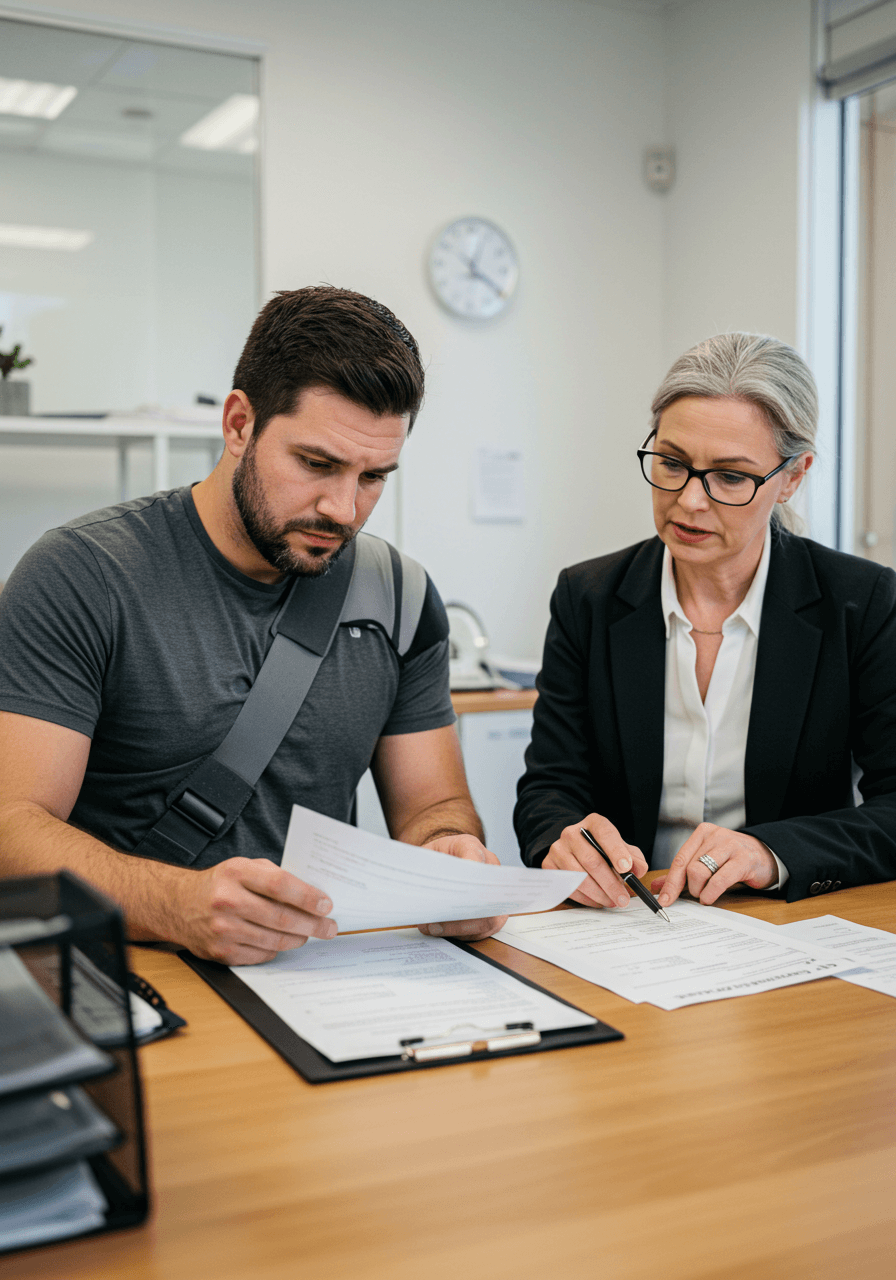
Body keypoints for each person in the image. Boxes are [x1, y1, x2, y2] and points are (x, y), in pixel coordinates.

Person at [0, 286, 506, 964]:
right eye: (317, 464)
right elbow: (12, 831)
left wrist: (450, 854)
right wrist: (174, 903)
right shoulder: (82, 576)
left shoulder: (399, 595)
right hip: (131, 975)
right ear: (239, 423)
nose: (344, 508)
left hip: (321, 980)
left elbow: (433, 804)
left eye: (375, 476)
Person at [515, 332, 896, 908]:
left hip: (782, 924)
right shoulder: (587, 597)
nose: (690, 500)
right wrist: (563, 841)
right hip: (629, 921)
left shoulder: (861, 602)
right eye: (671, 463)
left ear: (792, 476)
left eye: (730, 477)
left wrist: (771, 854)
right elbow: (549, 788)